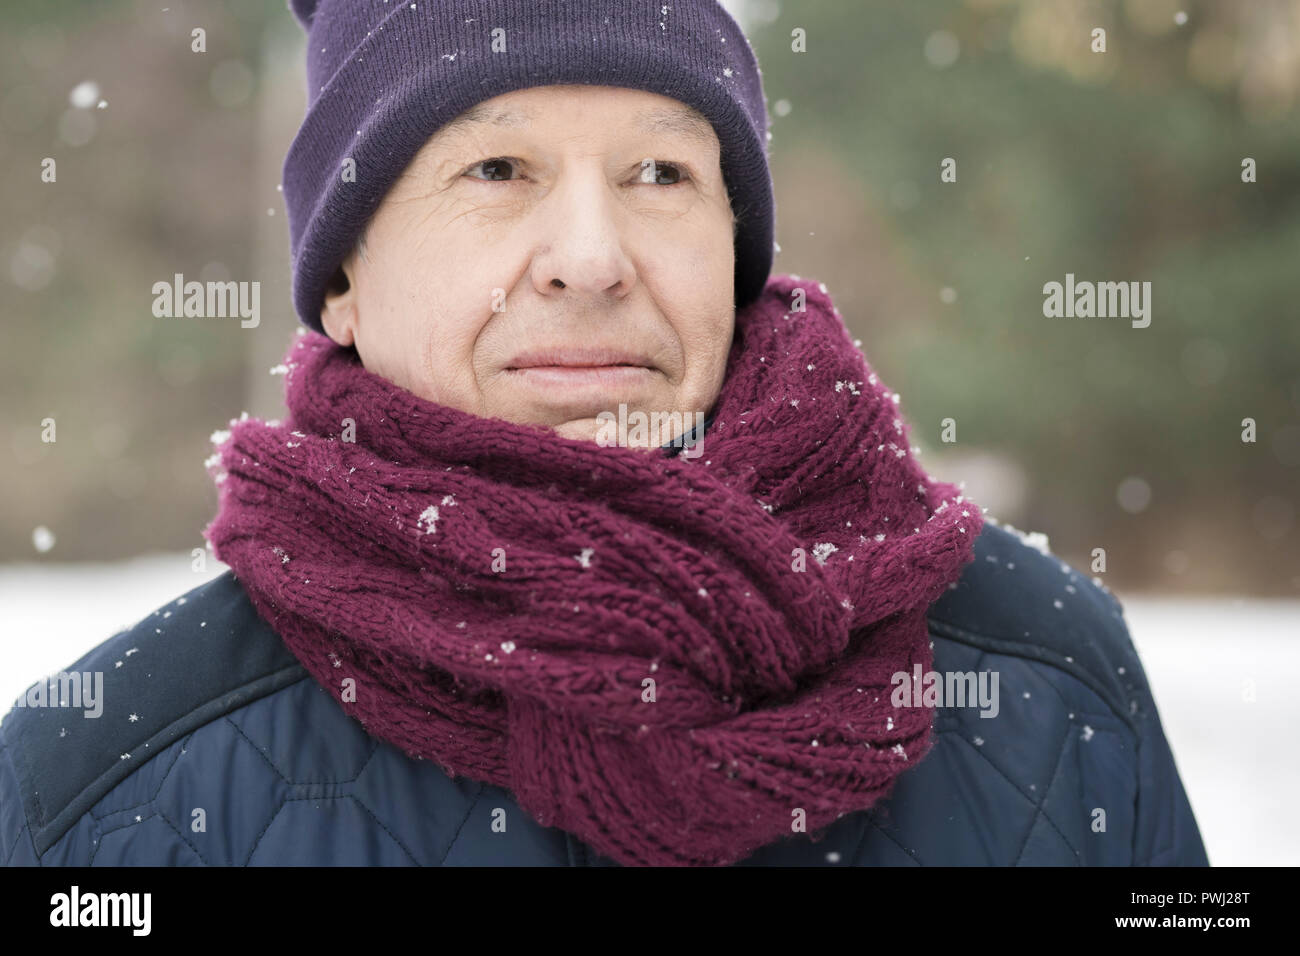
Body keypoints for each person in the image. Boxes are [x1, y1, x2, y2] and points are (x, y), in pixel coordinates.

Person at [0, 0, 1207, 867]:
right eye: (496, 167)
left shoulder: (1046, 680)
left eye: (660, 175)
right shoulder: (107, 776)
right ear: (344, 283)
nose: (590, 259)